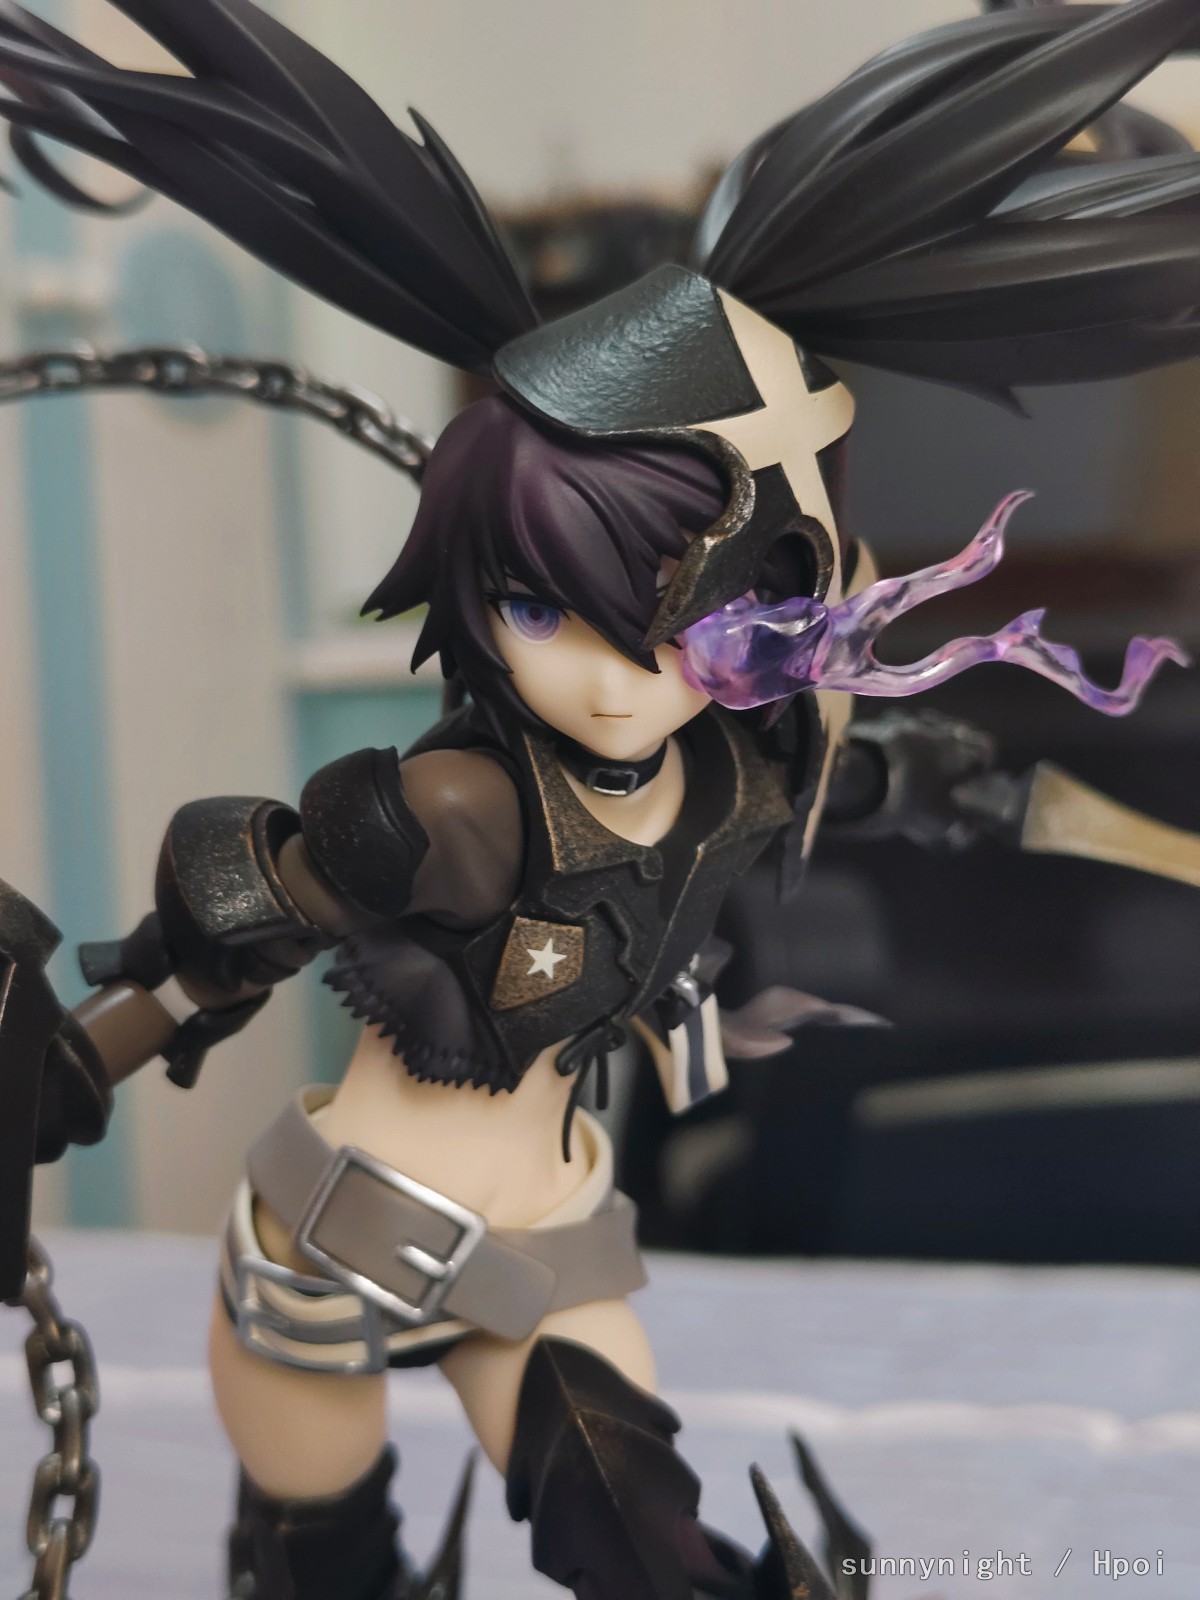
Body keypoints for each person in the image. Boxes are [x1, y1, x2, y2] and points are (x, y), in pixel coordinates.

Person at [0, 1, 1197, 1596]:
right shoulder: (447, 810)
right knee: (314, 1562)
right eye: (541, 605)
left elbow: (917, 783)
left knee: (646, 1550)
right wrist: (60, 1070)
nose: (616, 678)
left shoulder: (743, 773)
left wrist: (1104, 828)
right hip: (329, 1246)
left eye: (688, 614)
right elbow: (222, 938)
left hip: (549, 1249)